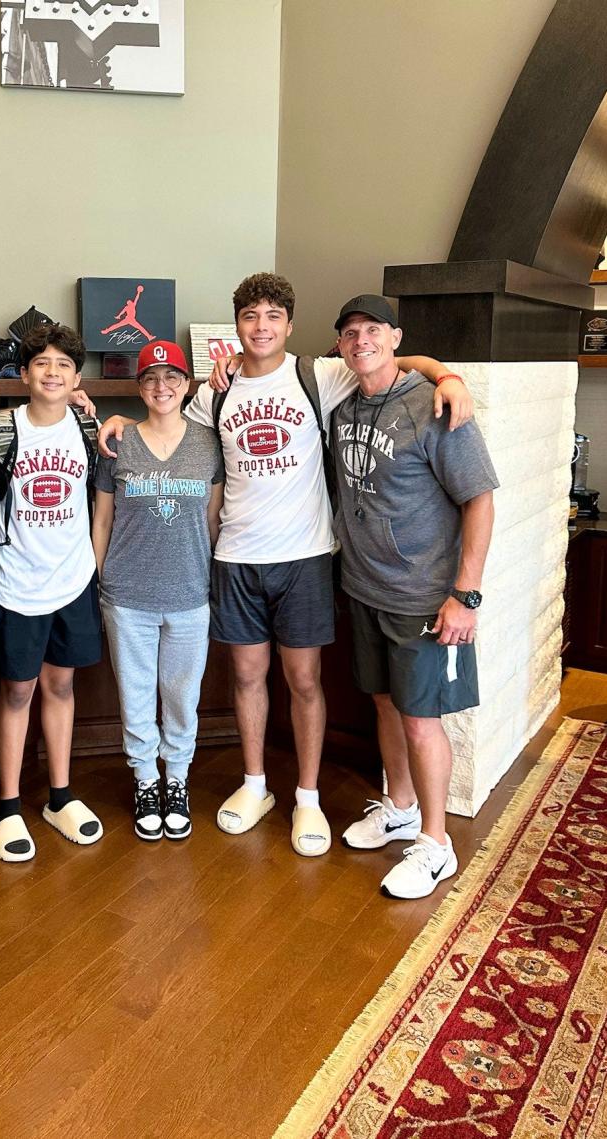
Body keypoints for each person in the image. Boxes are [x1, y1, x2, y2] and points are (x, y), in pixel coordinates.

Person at [100, 272, 472, 857]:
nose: (262, 326)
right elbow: (164, 424)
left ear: (289, 325)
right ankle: (255, 787)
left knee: (304, 681)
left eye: (273, 316)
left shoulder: (317, 375)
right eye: (251, 316)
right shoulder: (212, 394)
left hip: (304, 556)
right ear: (237, 325)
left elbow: (392, 361)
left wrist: (445, 375)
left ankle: (306, 796)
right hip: (236, 557)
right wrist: (120, 422)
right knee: (247, 676)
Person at [330, 295, 497, 899]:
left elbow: (479, 498)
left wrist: (466, 594)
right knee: (384, 703)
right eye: (349, 333)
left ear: (395, 337)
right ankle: (398, 805)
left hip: (424, 597)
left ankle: (436, 843)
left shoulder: (435, 408)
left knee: (422, 721)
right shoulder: (343, 404)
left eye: (372, 330)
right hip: (363, 588)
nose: (360, 341)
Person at [92, 340, 223, 841]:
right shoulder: (119, 442)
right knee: (137, 694)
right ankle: (146, 780)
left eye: (172, 377)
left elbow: (212, 520)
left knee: (181, 696)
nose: (161, 386)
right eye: (150, 379)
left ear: (187, 385)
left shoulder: (208, 443)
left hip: (191, 593)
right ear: (139, 388)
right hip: (127, 595)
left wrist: (207, 579)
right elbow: (102, 519)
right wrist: (105, 579)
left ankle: (178, 781)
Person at [0, 322, 104, 862]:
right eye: (41, 363)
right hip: (15, 584)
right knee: (17, 691)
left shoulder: (87, 427)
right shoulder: (2, 431)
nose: (52, 372)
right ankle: (7, 806)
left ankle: (60, 795)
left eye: (63, 365)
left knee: (61, 686)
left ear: (77, 376)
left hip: (72, 580)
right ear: (23, 373)